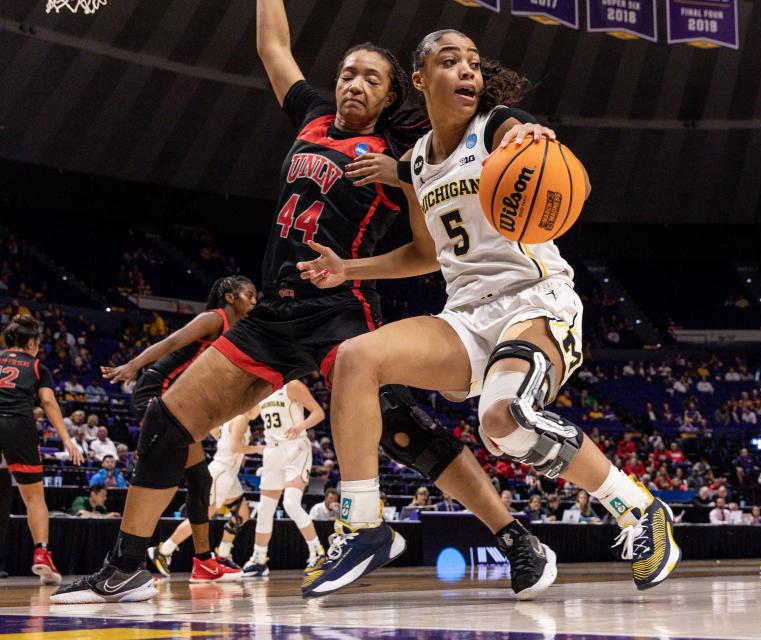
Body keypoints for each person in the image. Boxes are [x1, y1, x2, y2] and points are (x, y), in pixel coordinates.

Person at [53, 5, 553, 604]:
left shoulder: (404, 148)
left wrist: (398, 176)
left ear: (394, 94)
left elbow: (426, 251)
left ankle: (515, 538)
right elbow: (272, 47)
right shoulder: (313, 116)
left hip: (339, 311)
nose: (354, 84)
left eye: (371, 78)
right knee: (168, 419)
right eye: (347, 73)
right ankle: (127, 566)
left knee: (400, 431)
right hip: (272, 314)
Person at [294, 29, 678, 598]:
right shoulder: (419, 162)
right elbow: (424, 255)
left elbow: (519, 131)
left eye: (474, 63)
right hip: (466, 315)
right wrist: (349, 269)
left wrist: (527, 135)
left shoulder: (500, 126)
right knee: (355, 360)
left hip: (536, 298)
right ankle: (364, 522)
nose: (469, 71)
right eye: (451, 62)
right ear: (421, 81)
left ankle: (638, 508)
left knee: (502, 422)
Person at [107, 275, 258, 582]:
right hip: (156, 392)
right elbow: (171, 342)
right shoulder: (213, 319)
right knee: (161, 477)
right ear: (230, 297)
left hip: (179, 403)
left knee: (201, 481)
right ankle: (127, 561)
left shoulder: (237, 331)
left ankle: (202, 561)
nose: (255, 301)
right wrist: (133, 366)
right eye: (250, 295)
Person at [0, 316, 84, 584]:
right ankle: (41, 554)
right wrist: (67, 440)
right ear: (32, 343)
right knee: (33, 498)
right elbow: (47, 401)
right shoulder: (37, 367)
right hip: (18, 427)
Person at [147, 412, 262, 581]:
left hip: (229, 474)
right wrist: (258, 449)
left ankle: (222, 556)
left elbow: (214, 429)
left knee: (242, 515)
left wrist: (225, 441)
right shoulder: (241, 418)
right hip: (221, 472)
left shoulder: (231, 418)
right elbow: (235, 447)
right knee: (203, 516)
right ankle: (164, 550)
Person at [242, 381, 325, 578]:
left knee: (290, 503)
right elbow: (251, 414)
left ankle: (317, 552)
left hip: (295, 448)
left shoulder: (292, 385)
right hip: (272, 452)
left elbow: (318, 412)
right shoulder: (262, 390)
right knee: (264, 510)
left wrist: (300, 426)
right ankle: (259, 560)